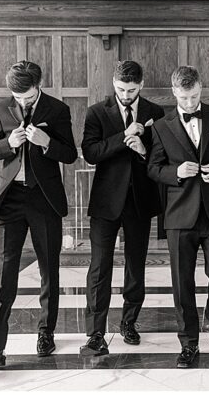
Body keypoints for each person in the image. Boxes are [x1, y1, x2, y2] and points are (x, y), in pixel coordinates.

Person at [147, 66, 209, 368]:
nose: (189, 103)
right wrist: (174, 173)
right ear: (174, 92)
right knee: (182, 283)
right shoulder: (161, 126)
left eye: (193, 96)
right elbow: (153, 168)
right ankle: (189, 342)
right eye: (183, 97)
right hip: (179, 214)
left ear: (200, 88)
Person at [0, 61, 77, 369]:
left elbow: (70, 154)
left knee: (50, 270)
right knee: (5, 275)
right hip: (11, 201)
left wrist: (47, 143)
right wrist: (9, 144)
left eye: (29, 95)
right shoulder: (0, 108)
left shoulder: (57, 109)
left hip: (44, 199)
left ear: (39, 84)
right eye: (18, 97)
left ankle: (46, 333)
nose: (23, 102)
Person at [79, 60, 167, 356]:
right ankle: (95, 332)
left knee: (136, 265)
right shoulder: (96, 112)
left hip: (140, 200)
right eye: (120, 89)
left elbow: (161, 155)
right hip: (106, 201)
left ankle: (129, 322)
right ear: (113, 83)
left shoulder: (156, 113)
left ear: (141, 85)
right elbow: (91, 153)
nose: (125, 94)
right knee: (99, 267)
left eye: (131, 89)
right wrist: (123, 136)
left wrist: (143, 150)